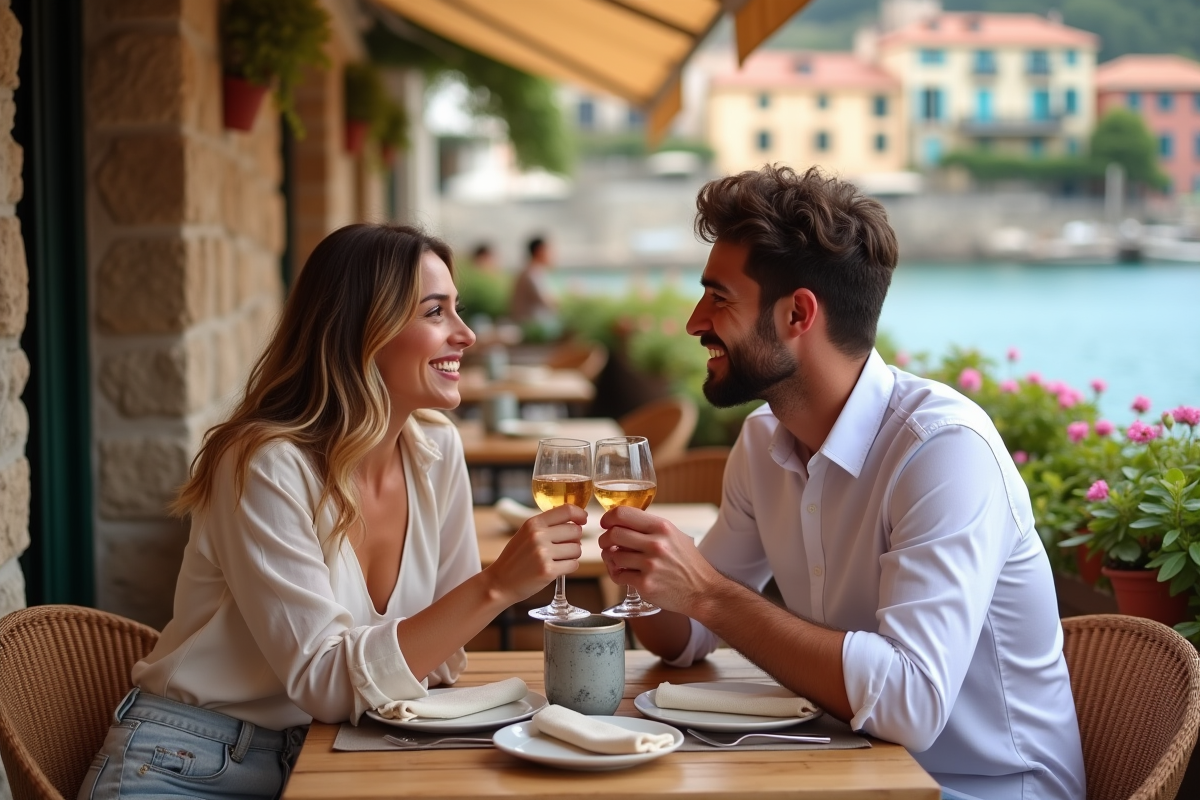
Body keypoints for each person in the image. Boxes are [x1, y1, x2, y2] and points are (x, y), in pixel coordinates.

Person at [597, 166, 1085, 800]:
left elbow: (911, 702)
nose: (695, 322)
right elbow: (683, 638)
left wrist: (710, 595)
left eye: (719, 298)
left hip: (981, 788)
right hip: (843, 772)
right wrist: (645, 570)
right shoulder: (761, 444)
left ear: (799, 313)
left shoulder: (942, 451)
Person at [79, 224, 585, 800]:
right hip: (194, 762)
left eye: (456, 310)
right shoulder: (264, 465)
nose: (465, 335)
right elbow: (326, 682)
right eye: (435, 313)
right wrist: (496, 587)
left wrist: (392, 661)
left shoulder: (435, 448)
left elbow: (443, 659)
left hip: (338, 750)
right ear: (363, 330)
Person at [508, 235, 558, 327]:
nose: (553, 255)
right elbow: (548, 303)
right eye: (549, 251)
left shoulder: (532, 272)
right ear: (540, 251)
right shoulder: (532, 274)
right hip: (531, 327)